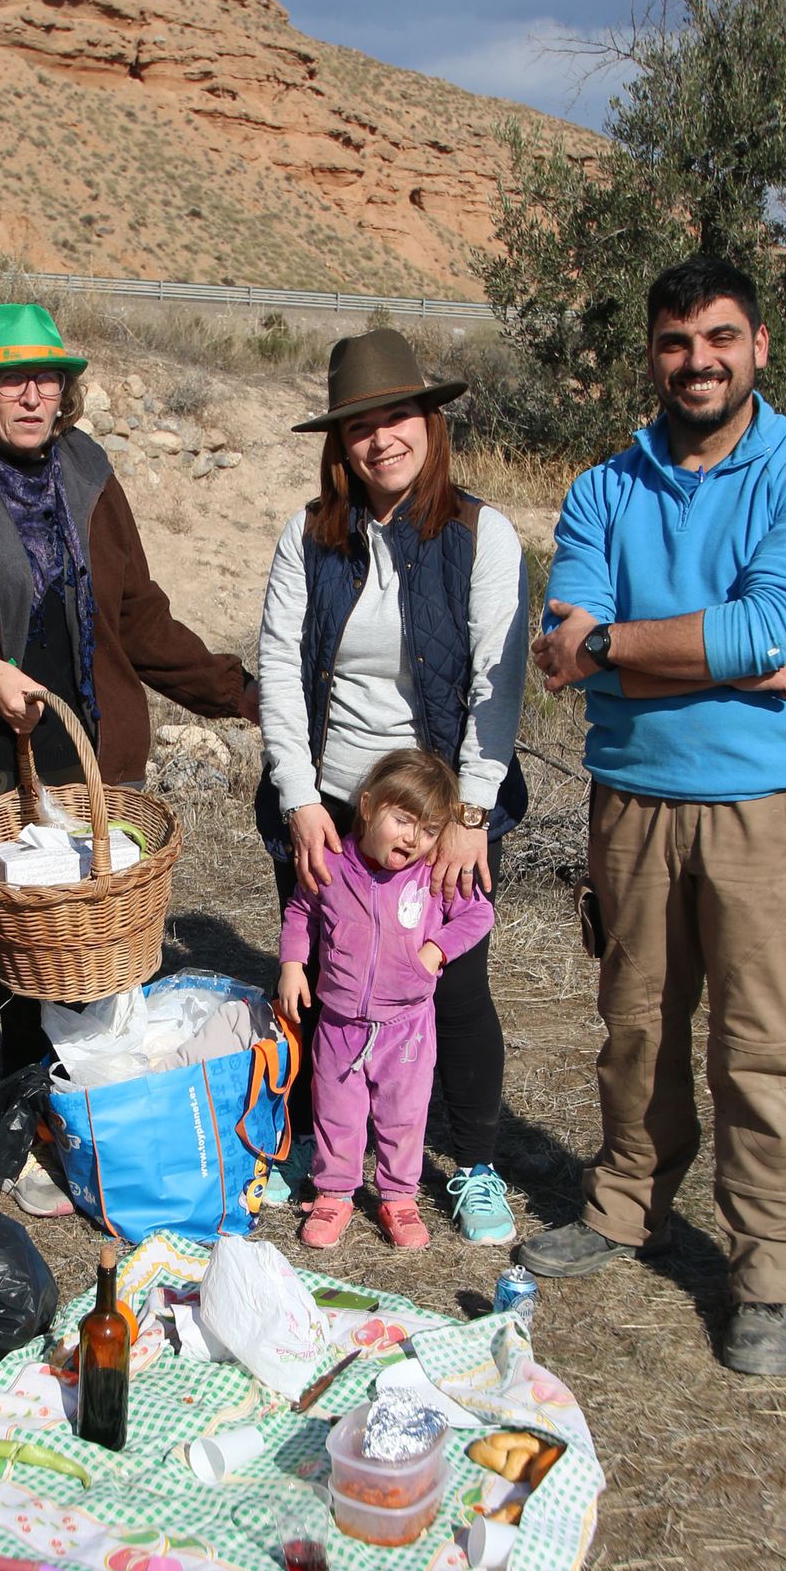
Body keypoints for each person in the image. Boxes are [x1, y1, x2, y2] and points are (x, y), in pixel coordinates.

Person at [522, 255, 786, 1378]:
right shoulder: (602, 488)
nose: (697, 361)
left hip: (767, 809)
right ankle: (626, 1207)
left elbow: (768, 627)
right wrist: (713, 654)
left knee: (766, 1046)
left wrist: (619, 649)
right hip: (631, 801)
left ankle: (770, 1273)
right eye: (675, 343)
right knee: (634, 1025)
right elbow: (564, 648)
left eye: (719, 338)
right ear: (653, 355)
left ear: (758, 346)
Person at [0, 302, 257, 1211]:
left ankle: (37, 1123)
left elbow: (138, 619)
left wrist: (242, 693)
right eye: (9, 378)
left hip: (84, 752)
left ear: (67, 390)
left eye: (46, 376)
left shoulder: (91, 474)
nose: (30, 392)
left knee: (69, 954)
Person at [256, 327, 528, 1244]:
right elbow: (280, 671)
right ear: (341, 443)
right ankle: (317, 1156)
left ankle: (475, 1164)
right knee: (324, 983)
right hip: (333, 804)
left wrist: (472, 810)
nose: (382, 439)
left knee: (450, 983)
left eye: (398, 416)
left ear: (431, 420)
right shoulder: (310, 538)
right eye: (360, 425)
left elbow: (501, 674)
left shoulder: (480, 535)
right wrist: (298, 799)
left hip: (444, 808)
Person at [279, 748, 495, 1250]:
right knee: (336, 1111)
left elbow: (477, 915)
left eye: (427, 829)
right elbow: (298, 911)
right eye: (403, 820)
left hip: (407, 1028)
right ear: (370, 806)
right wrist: (293, 964)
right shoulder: (332, 863)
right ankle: (333, 1193)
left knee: (403, 1114)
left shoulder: (431, 875)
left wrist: (434, 951)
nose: (413, 838)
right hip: (339, 1024)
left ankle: (398, 1196)